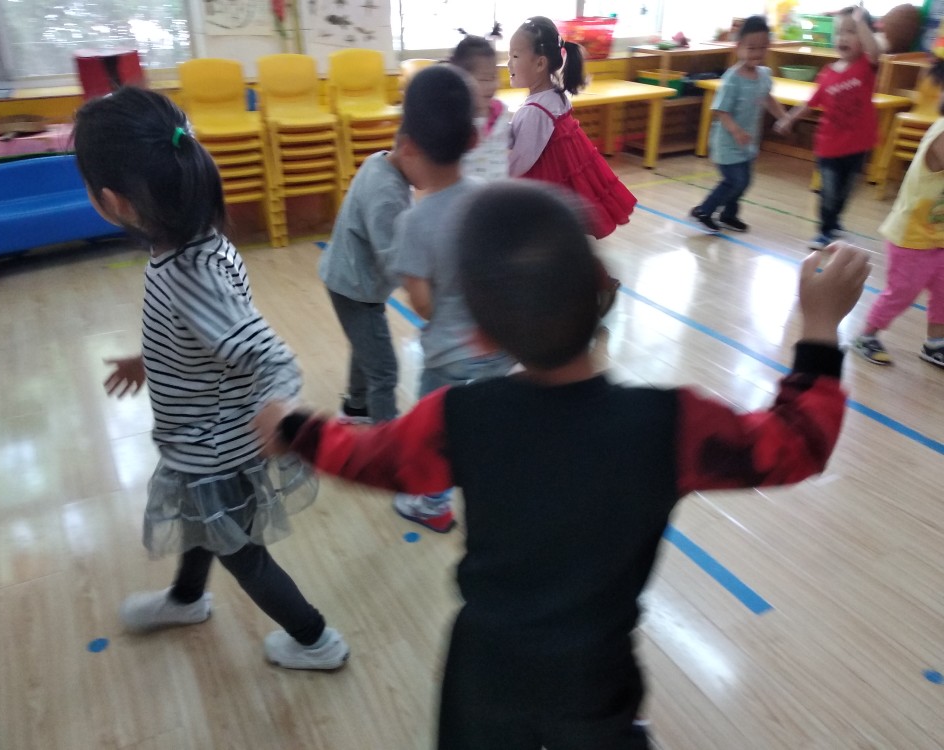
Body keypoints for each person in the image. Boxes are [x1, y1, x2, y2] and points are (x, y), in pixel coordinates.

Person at [259, 181, 871, 749]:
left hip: (486, 671)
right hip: (594, 674)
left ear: (480, 336)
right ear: (605, 290)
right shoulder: (671, 425)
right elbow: (798, 445)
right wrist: (820, 325)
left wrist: (294, 428)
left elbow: (369, 457)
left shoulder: (459, 417)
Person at [74, 87, 348, 671]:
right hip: (198, 440)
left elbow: (271, 356)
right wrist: (149, 358)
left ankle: (315, 639)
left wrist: (281, 406)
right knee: (201, 528)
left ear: (112, 202)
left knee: (242, 555)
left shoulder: (188, 274)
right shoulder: (198, 245)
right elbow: (204, 333)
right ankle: (186, 599)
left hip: (216, 450)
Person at [391, 64, 516, 533]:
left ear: (408, 146)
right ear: (473, 139)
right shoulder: (491, 199)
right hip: (497, 350)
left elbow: (423, 305)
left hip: (448, 359)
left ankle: (432, 504)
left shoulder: (413, 223)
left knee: (435, 435)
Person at [507, 15, 636, 239]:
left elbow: (519, 163)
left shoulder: (534, 111)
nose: (509, 63)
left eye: (515, 56)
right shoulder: (556, 94)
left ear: (540, 63)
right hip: (560, 184)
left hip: (543, 188)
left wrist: (494, 175)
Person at [852, 58, 944, 369]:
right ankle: (866, 335)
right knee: (902, 292)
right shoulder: (942, 133)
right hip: (912, 235)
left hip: (938, 234)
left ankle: (936, 343)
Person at [320, 135, 415, 424]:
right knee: (384, 370)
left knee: (366, 346)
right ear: (409, 150)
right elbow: (395, 260)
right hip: (355, 287)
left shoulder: (378, 160)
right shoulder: (387, 194)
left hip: (348, 278)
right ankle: (388, 437)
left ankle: (356, 406)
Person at [775, 6, 880, 250]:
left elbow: (875, 50)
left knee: (845, 192)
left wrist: (861, 22)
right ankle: (824, 231)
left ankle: (833, 223)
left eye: (851, 32)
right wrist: (788, 119)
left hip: (857, 146)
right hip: (829, 146)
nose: (843, 38)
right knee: (829, 191)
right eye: (839, 32)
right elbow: (809, 104)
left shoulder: (866, 67)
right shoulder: (827, 74)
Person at [690, 15, 788, 234]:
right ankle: (704, 210)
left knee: (744, 181)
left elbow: (768, 98)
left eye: (762, 48)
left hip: (747, 143)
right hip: (727, 143)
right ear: (739, 47)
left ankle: (729, 215)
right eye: (751, 48)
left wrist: (783, 117)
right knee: (734, 180)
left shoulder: (764, 75)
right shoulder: (732, 79)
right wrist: (736, 131)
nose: (757, 53)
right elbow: (720, 110)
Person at [451, 34, 510, 181]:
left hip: (498, 190)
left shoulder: (501, 113)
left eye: (494, 77)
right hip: (468, 193)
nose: (493, 85)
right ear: (461, 80)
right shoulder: (455, 120)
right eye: (484, 79)